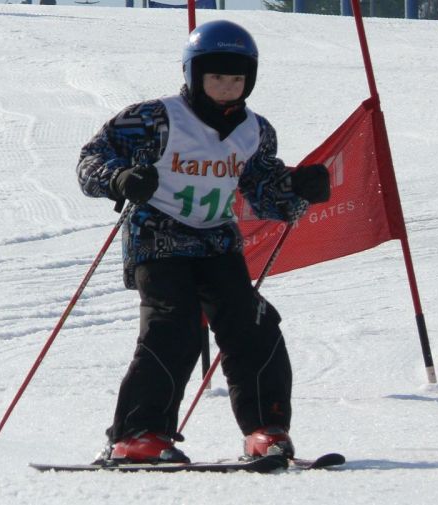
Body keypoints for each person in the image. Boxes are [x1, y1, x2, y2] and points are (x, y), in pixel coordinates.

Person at [76, 19, 330, 464]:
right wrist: (119, 178)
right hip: (157, 236)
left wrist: (298, 189)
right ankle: (137, 434)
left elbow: (264, 192)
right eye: (216, 77)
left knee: (253, 324)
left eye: (237, 79)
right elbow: (92, 159)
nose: (227, 88)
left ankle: (264, 429)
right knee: (175, 326)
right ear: (194, 74)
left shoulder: (256, 130)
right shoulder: (155, 118)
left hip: (216, 241)